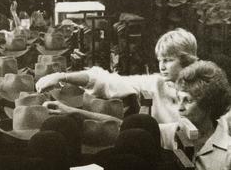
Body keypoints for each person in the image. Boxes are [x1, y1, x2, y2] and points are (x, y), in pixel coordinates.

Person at [36, 28, 199, 149]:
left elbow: (162, 133)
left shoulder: (202, 93)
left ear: (187, 60)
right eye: (160, 60)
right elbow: (107, 81)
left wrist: (72, 111)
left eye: (168, 60)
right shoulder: (155, 83)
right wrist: (62, 76)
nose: (162, 66)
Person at [175, 60, 231, 170]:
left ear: (209, 106)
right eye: (178, 99)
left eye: (188, 100)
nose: (179, 108)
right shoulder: (171, 134)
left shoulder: (228, 152)